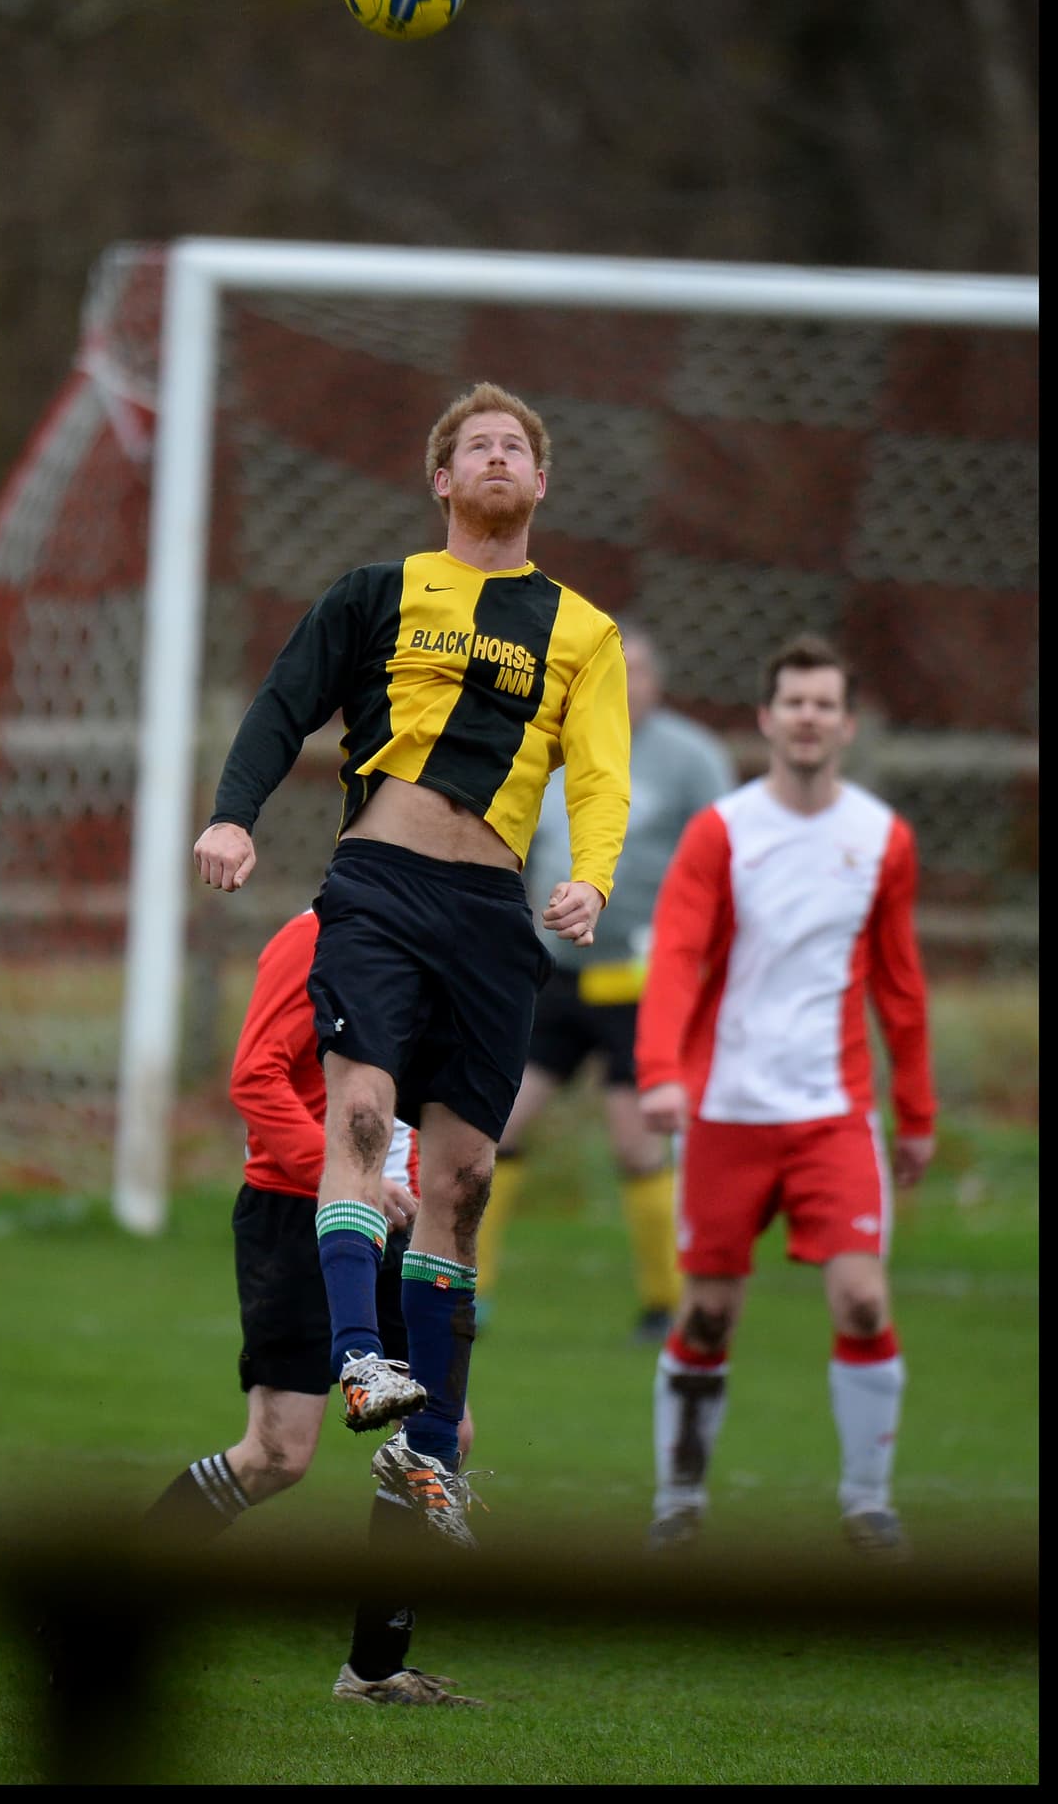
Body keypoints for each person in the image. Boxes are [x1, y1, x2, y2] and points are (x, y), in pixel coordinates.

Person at [193, 381, 631, 1546]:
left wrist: (591, 871)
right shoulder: (375, 594)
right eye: (474, 446)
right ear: (441, 481)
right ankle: (358, 1362)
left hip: (491, 914)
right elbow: (282, 706)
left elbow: (596, 772)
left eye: (516, 448)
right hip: (379, 887)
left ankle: (429, 1468)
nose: (496, 456)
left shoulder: (581, 633)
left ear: (538, 484)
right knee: (359, 1114)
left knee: (465, 1181)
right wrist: (234, 816)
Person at [634, 634, 937, 1557]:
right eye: (792, 702)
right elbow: (678, 957)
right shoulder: (722, 831)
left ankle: (867, 1503)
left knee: (861, 1302)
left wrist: (916, 1112)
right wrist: (661, 1073)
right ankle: (679, 1500)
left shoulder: (881, 838)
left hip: (833, 1115)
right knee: (709, 1313)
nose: (807, 717)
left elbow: (900, 983)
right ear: (767, 718)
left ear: (846, 724)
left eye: (824, 704)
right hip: (726, 1112)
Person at [144, 907, 483, 1707]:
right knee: (278, 1454)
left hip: (401, 1223)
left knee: (442, 1430)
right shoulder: (318, 933)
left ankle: (373, 1669)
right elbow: (255, 1078)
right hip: (300, 1215)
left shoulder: (455, 931)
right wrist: (349, 1177)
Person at [478, 623, 736, 1344]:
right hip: (553, 976)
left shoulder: (690, 759)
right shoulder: (554, 746)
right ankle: (469, 1288)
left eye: (639, 671)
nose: (626, 684)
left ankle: (667, 1303)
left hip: (641, 983)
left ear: (658, 681)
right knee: (498, 1126)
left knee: (637, 1144)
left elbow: (725, 860)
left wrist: (702, 955)